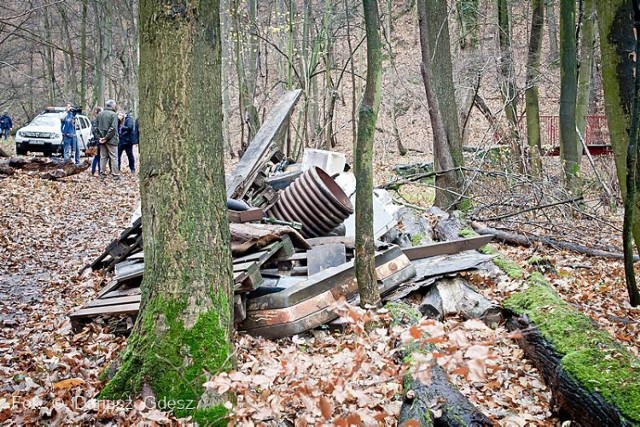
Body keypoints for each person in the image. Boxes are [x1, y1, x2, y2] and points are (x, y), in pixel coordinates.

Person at [96, 99, 120, 179]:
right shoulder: (113, 115)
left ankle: (102, 174)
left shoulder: (100, 114)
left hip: (102, 140)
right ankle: (115, 175)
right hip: (112, 140)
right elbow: (113, 128)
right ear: (112, 106)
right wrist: (106, 138)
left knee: (103, 157)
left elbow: (95, 127)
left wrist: (100, 138)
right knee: (114, 157)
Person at [90, 107, 102, 175]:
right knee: (97, 157)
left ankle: (98, 170)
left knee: (99, 157)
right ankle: (94, 171)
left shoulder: (99, 120)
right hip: (97, 141)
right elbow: (94, 131)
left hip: (99, 140)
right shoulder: (95, 121)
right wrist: (99, 138)